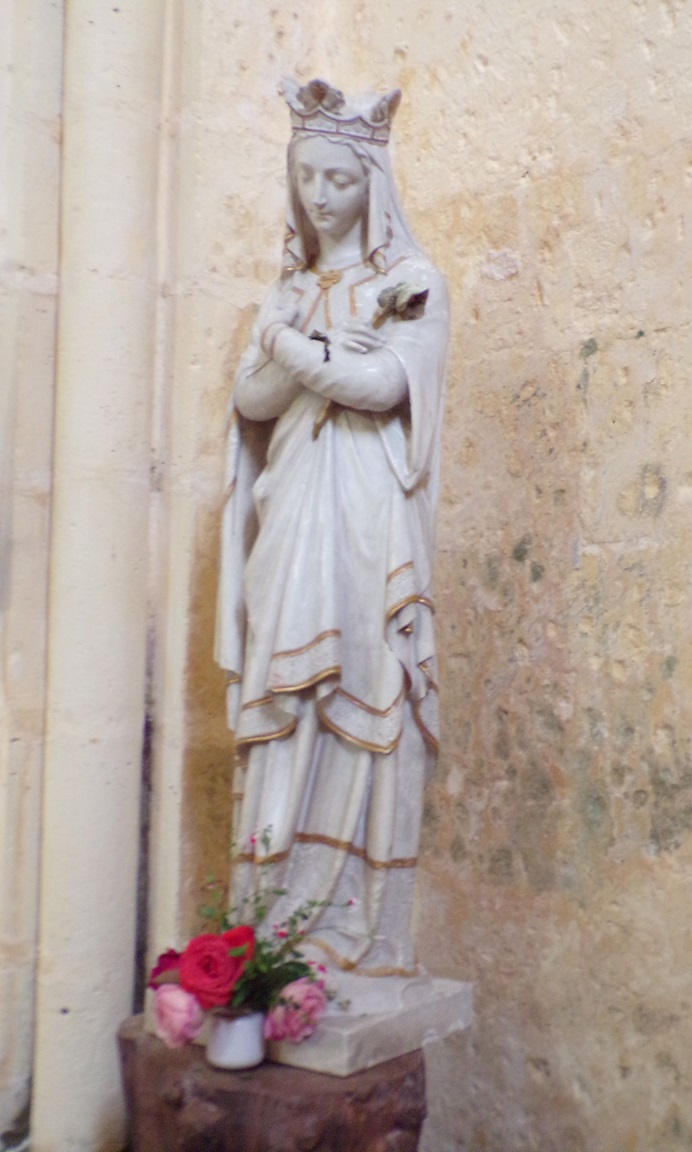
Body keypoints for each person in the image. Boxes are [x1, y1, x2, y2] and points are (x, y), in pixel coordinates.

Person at [216, 79, 449, 978]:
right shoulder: (290, 291)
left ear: (374, 184)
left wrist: (289, 346)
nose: (319, 195)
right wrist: (310, 352)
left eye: (339, 177)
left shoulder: (414, 285)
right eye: (305, 175)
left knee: (363, 693)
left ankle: (347, 926)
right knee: (286, 704)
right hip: (294, 510)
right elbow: (250, 401)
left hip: (366, 520)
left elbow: (382, 388)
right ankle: (267, 930)